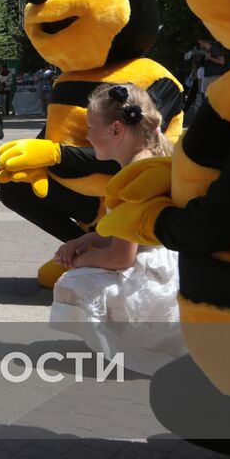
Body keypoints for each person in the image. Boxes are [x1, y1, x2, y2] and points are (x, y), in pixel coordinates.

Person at [47, 84, 184, 374]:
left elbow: (121, 258)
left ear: (116, 130)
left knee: (75, 282)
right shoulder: (151, 162)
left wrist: (75, 261)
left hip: (156, 283)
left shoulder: (132, 180)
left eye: (91, 127)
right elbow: (126, 231)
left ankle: (140, 346)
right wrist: (87, 238)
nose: (86, 135)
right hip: (174, 268)